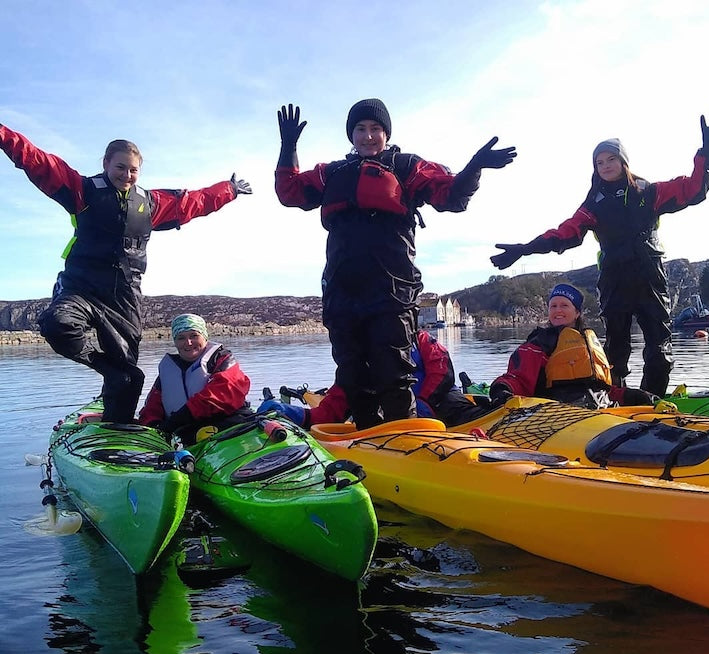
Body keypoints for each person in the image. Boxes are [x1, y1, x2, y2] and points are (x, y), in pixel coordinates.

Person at [275, 99, 516, 429]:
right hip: (342, 292)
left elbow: (452, 196)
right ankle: (368, 439)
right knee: (352, 376)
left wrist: (474, 166)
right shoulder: (332, 172)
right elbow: (289, 191)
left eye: (376, 129)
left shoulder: (406, 167)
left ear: (386, 134)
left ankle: (404, 437)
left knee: (394, 373)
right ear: (351, 135)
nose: (368, 136)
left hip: (391, 291)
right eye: (360, 129)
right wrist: (288, 146)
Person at [0, 123, 252, 422]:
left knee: (128, 375)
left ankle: (118, 422)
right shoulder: (82, 191)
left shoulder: (150, 203)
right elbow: (37, 160)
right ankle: (107, 368)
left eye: (133, 170)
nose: (127, 175)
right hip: (82, 287)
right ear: (106, 164)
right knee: (57, 325)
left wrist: (229, 189)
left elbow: (192, 203)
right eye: (121, 167)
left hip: (124, 295)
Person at [490, 110, 709, 397]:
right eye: (599, 162)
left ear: (623, 161)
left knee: (659, 350)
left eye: (611, 159)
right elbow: (565, 233)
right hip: (615, 280)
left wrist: (708, 149)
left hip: (649, 277)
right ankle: (615, 401)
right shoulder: (594, 205)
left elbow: (694, 189)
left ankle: (653, 402)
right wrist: (524, 249)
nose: (606, 165)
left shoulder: (648, 192)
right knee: (615, 352)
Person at [257, 330, 491, 428]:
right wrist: (296, 415)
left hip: (441, 406)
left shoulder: (420, 340)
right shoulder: (357, 362)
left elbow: (443, 373)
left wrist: (423, 404)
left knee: (461, 410)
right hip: (397, 423)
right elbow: (334, 408)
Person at [489, 283, 660, 409]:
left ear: (577, 312)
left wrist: (629, 395)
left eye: (564, 305)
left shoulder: (589, 343)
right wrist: (503, 389)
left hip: (601, 408)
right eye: (553, 306)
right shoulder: (537, 344)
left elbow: (601, 388)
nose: (557, 311)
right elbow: (519, 378)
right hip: (555, 412)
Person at [139, 314, 251, 444]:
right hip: (185, 433)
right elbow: (151, 409)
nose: (188, 343)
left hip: (226, 426)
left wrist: (179, 419)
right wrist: (155, 427)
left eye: (194, 336)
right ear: (175, 341)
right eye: (181, 338)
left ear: (204, 337)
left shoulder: (222, 359)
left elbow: (225, 393)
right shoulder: (168, 370)